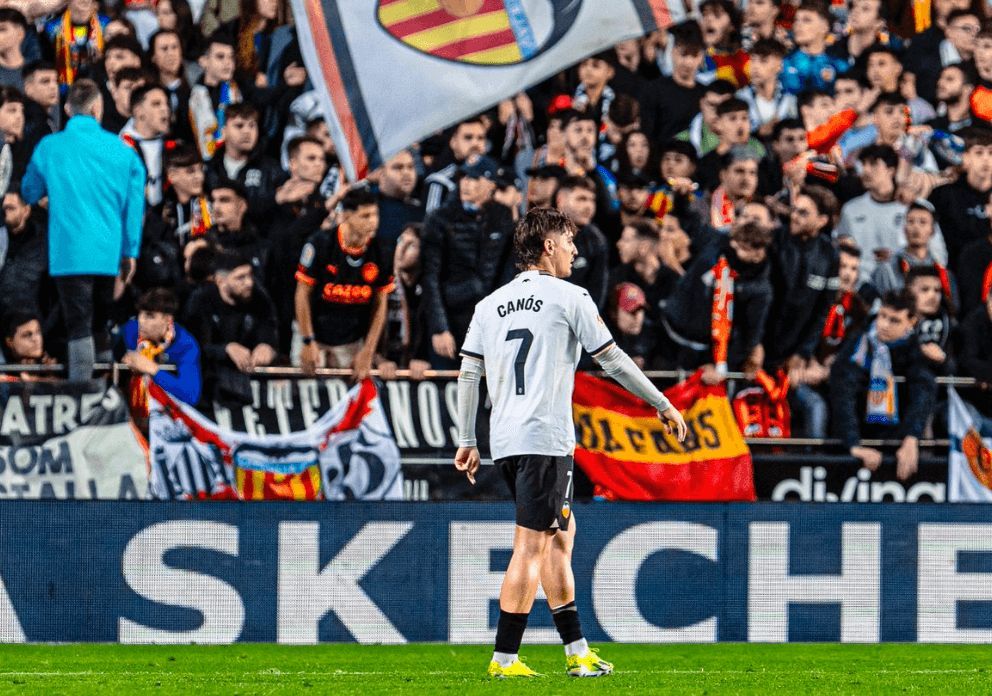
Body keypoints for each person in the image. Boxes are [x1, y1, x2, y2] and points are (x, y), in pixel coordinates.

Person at [453, 206, 686, 679]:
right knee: (531, 546)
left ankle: (577, 651)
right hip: (545, 438)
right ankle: (504, 659)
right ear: (548, 246)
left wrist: (466, 437)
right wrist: (662, 402)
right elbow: (613, 360)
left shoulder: (489, 305)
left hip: (507, 439)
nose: (576, 251)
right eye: (569, 241)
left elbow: (469, 373)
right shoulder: (568, 297)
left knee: (561, 536)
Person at [21, 78, 144, 382]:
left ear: (67, 108)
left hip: (69, 252)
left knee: (77, 325)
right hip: (109, 252)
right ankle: (104, 395)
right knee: (100, 325)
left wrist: (50, 197)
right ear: (98, 107)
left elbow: (28, 190)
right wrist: (130, 252)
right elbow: (134, 210)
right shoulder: (122, 150)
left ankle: (83, 398)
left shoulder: (50, 146)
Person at [829, 289, 937, 481]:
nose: (883, 325)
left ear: (911, 322)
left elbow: (923, 391)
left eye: (894, 320)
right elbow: (843, 395)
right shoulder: (859, 345)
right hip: (858, 439)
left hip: (896, 441)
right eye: (882, 316)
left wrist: (911, 438)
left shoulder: (913, 348)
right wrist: (854, 445)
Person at [422, 156, 515, 367]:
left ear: (491, 184)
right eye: (463, 177)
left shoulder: (502, 216)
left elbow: (506, 274)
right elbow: (430, 278)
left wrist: (501, 324)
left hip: (488, 321)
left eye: (474, 179)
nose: (466, 184)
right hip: (451, 318)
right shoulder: (440, 218)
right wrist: (439, 329)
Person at [295, 188, 393, 379]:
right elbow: (302, 294)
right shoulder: (320, 243)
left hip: (352, 339)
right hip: (314, 332)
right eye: (365, 215)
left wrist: (368, 351)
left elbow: (381, 304)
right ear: (347, 215)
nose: (373, 221)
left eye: (375, 214)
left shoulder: (382, 251)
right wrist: (307, 340)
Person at [183, 251, 277, 404]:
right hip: (207, 386)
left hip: (249, 384)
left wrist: (266, 346)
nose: (249, 283)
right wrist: (226, 349)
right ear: (220, 280)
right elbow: (193, 346)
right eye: (240, 278)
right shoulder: (200, 301)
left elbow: (269, 331)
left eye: (249, 275)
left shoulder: (259, 298)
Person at [118, 287, 202, 407]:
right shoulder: (129, 331)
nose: (141, 321)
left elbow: (190, 395)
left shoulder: (185, 345)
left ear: (168, 319)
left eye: (149, 316)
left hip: (167, 411)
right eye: (140, 314)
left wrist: (153, 369)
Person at [1, 311, 54, 380]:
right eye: (27, 335)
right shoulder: (4, 377)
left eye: (38, 331)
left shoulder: (49, 368)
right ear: (10, 342)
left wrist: (50, 375)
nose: (36, 339)